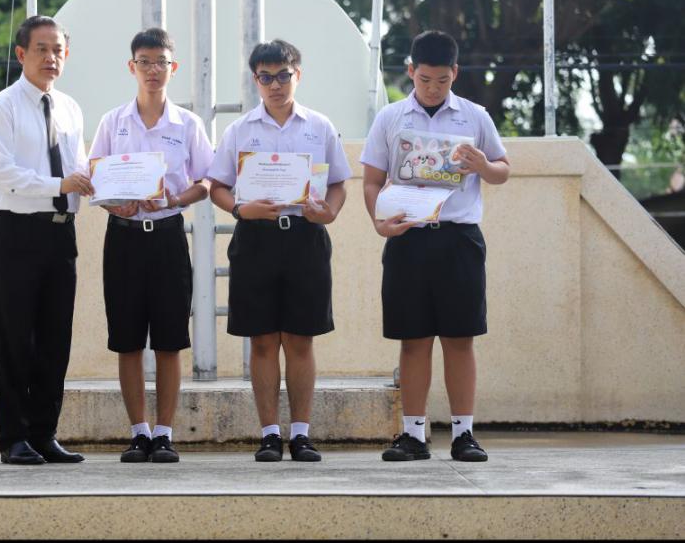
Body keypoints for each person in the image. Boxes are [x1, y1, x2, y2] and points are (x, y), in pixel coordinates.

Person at [361, 30, 510, 462]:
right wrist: (379, 221)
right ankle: (413, 435)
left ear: (455, 73)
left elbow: (503, 170)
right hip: (408, 239)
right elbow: (371, 180)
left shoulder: (475, 116)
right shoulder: (390, 118)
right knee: (413, 339)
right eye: (425, 79)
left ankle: (464, 435)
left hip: (459, 239)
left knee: (460, 338)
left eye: (442, 80)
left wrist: (483, 164)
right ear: (410, 71)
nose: (433, 88)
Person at [208, 39, 351, 462]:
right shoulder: (239, 130)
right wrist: (240, 208)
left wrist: (330, 212)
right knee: (263, 340)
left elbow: (339, 183)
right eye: (266, 77)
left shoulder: (319, 126)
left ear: (297, 75)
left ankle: (301, 434)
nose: (275, 85)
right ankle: (270, 433)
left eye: (283, 75)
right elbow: (217, 186)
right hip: (256, 238)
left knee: (301, 339)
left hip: (305, 237)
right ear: (255, 80)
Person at [89, 28, 213, 464]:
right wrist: (113, 204)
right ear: (132, 67)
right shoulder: (112, 122)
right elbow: (95, 177)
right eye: (145, 61)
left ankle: (164, 433)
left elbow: (206, 181)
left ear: (173, 68)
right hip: (123, 238)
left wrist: (176, 199)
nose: (153, 70)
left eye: (161, 62)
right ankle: (138, 432)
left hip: (166, 236)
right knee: (126, 339)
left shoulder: (188, 124)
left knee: (169, 340)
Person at [0, 15, 94, 465]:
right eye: (42, 49)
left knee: (54, 337)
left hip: (61, 233)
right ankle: (13, 438)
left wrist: (107, 186)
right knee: (14, 336)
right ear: (21, 54)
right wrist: (57, 185)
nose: (51, 58)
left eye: (58, 50)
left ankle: (45, 433)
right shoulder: (2, 107)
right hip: (18, 230)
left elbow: (79, 169)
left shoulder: (70, 108)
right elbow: (0, 173)